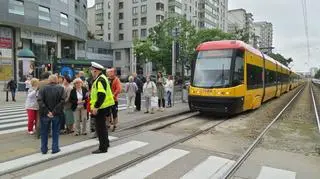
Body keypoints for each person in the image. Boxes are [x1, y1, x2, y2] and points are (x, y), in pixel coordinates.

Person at [90, 62, 115, 154]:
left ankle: (102, 147)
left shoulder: (99, 80)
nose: (91, 72)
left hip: (101, 107)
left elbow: (101, 94)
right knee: (103, 127)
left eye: (92, 70)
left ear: (95, 70)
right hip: (104, 106)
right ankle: (106, 143)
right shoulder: (102, 78)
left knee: (100, 128)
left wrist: (96, 107)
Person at [37, 74, 65, 154]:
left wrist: (47, 111)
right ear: (56, 80)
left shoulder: (42, 88)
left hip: (45, 114)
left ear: (49, 80)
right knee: (55, 131)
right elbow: (62, 101)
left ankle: (44, 149)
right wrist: (53, 112)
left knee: (44, 132)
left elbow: (40, 100)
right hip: (56, 114)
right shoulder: (61, 88)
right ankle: (55, 148)